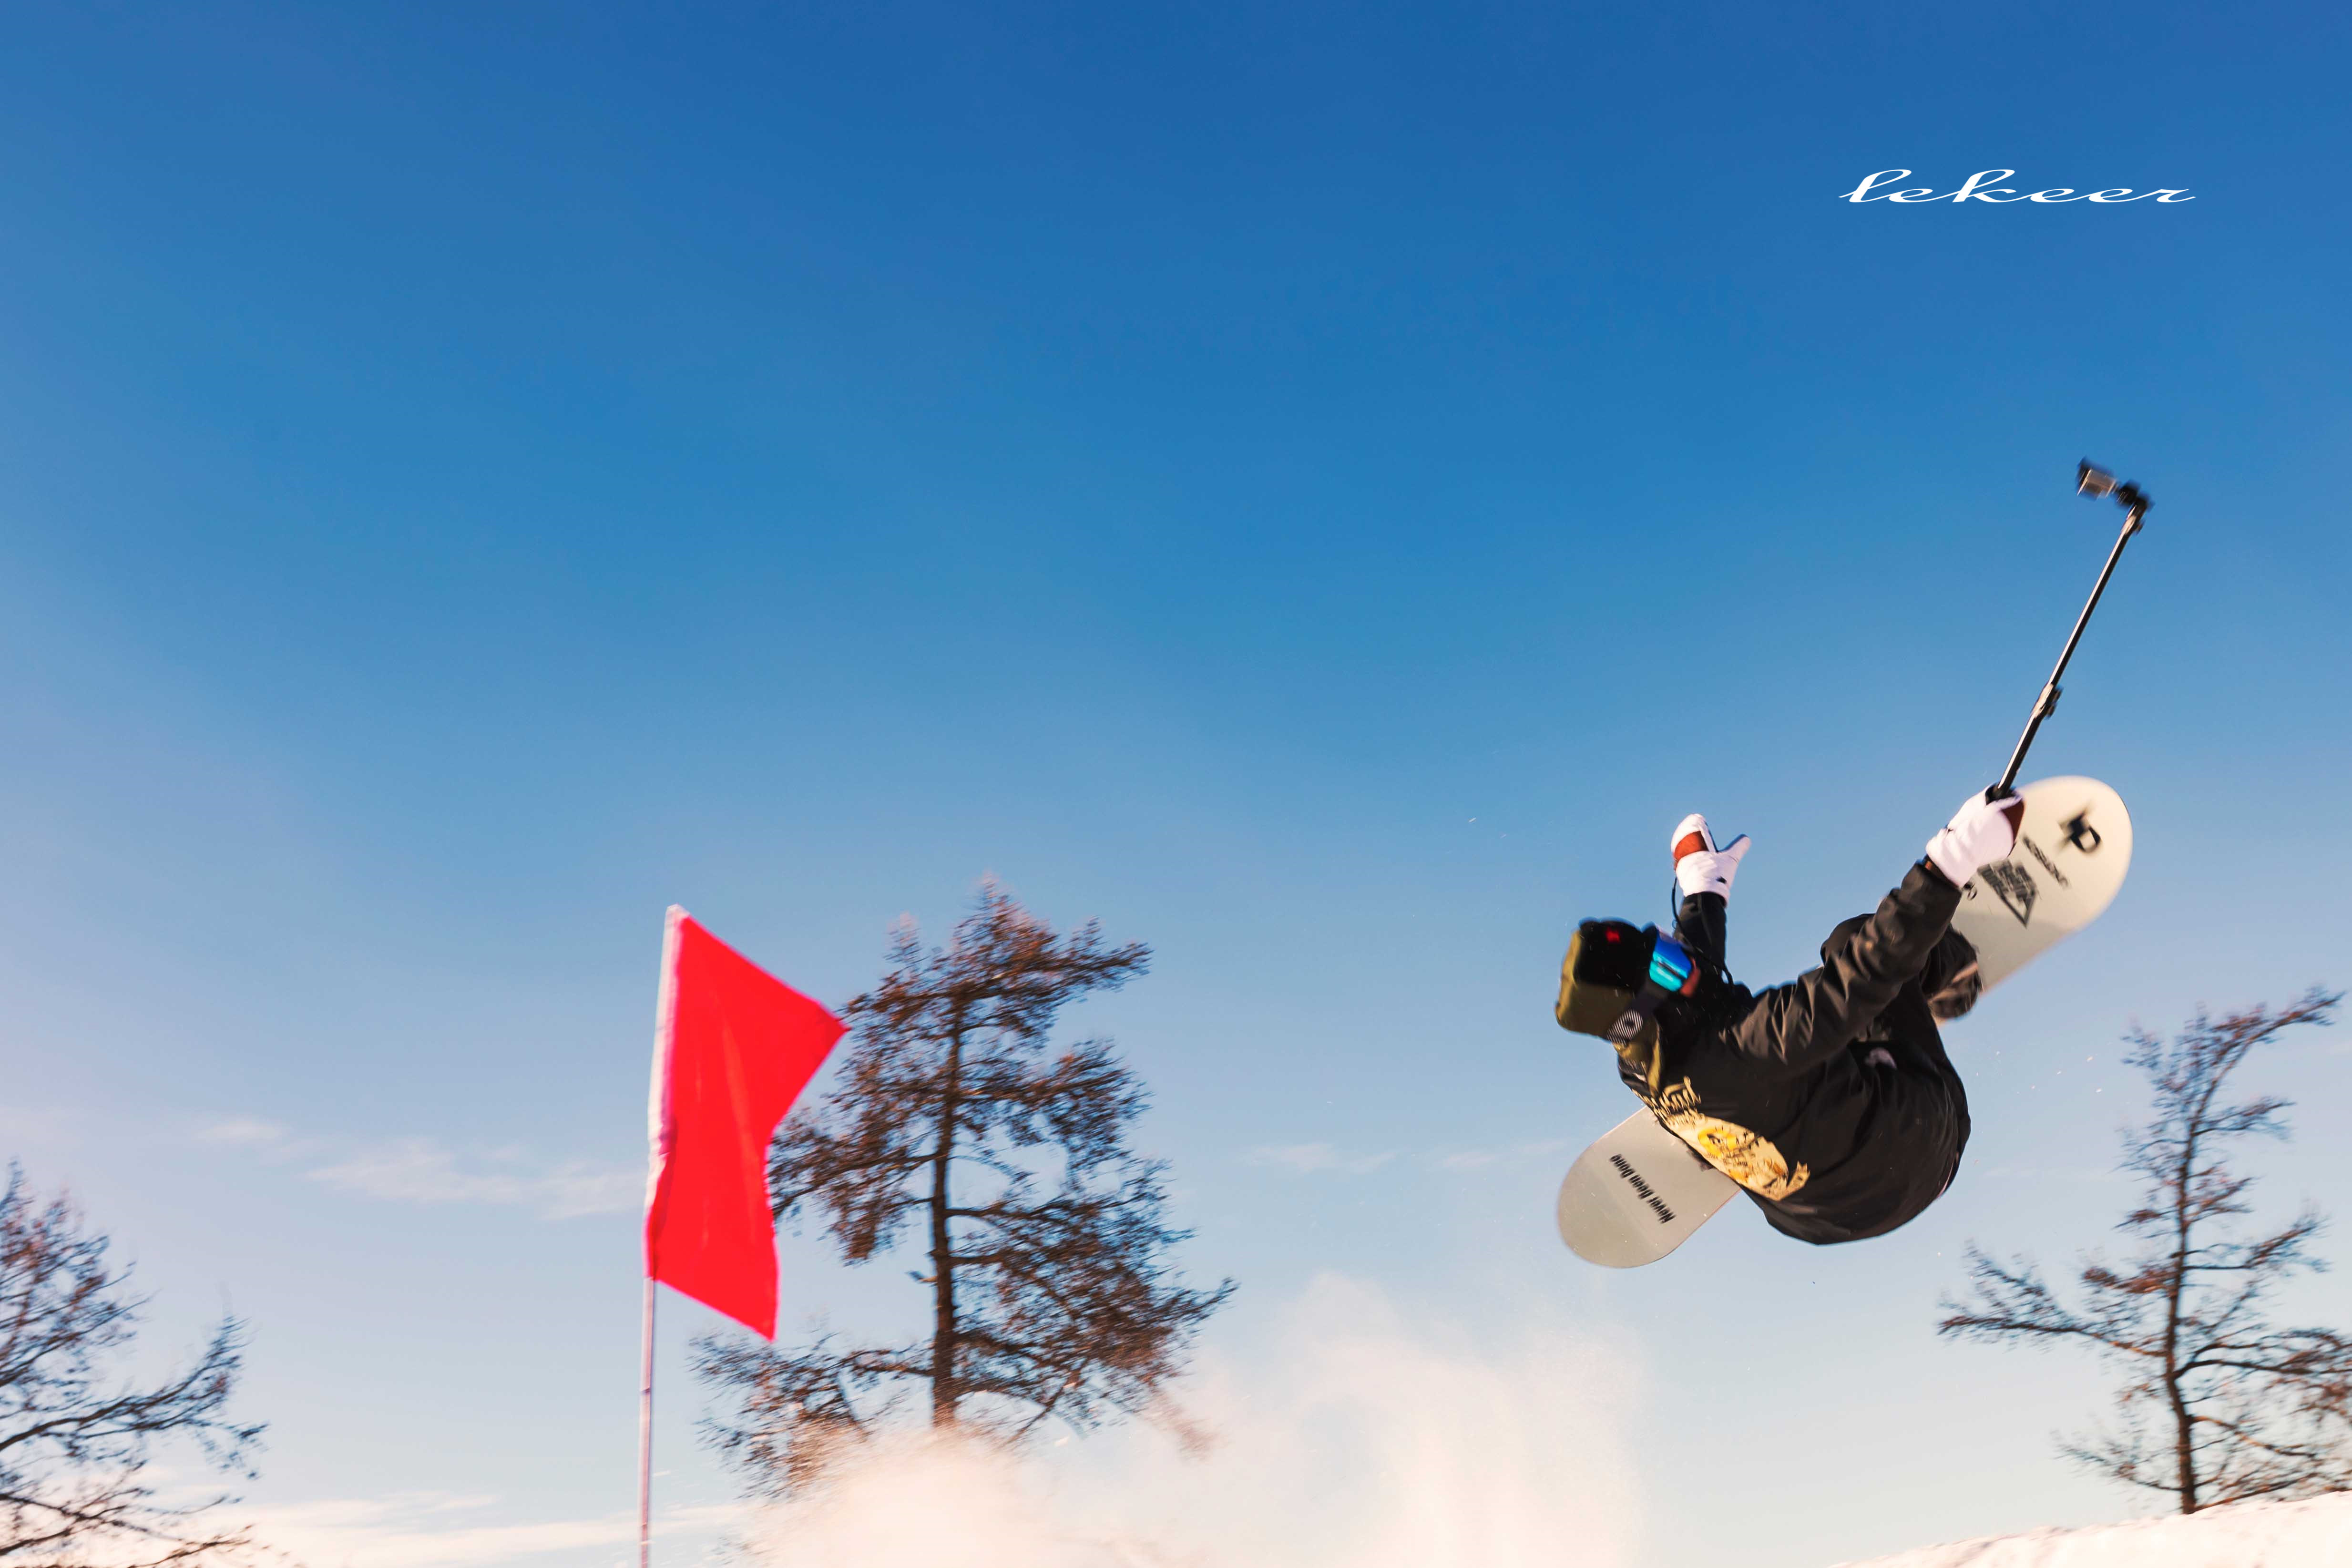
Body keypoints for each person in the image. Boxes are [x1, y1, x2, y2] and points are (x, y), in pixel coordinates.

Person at [1554, 789, 2025, 1245]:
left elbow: (1691, 991)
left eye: (1665, 944)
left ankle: (1726, 1143)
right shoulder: (1750, 1044)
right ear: (1652, 1002)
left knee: (1766, 1041)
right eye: (1669, 965)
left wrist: (1703, 890)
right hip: (1927, 1148)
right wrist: (1951, 860)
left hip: (1822, 1225)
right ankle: (1954, 974)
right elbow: (1864, 973)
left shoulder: (1637, 1064)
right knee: (1851, 942)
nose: (1683, 957)